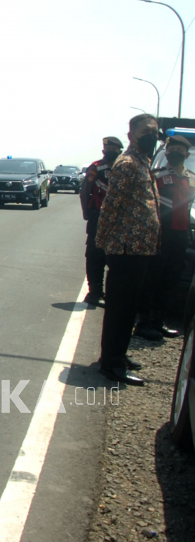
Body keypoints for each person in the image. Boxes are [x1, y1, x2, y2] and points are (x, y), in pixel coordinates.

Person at [95, 114, 162, 386]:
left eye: (156, 131)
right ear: (132, 134)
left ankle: (117, 354)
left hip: (139, 250)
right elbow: (111, 207)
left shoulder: (142, 163)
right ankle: (112, 363)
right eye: (146, 130)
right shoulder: (127, 164)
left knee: (128, 307)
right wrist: (102, 242)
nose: (152, 135)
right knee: (120, 309)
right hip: (125, 250)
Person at [134, 135, 194, 340]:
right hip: (160, 233)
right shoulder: (156, 175)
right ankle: (143, 322)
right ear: (166, 152)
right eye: (171, 149)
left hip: (181, 234)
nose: (174, 152)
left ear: (187, 153)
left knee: (171, 279)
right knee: (152, 277)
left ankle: (158, 321)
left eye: (180, 149)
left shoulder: (191, 178)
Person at [79, 136, 124, 306]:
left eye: (115, 149)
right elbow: (85, 192)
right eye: (108, 148)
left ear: (120, 151)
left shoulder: (124, 169)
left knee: (115, 256)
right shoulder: (96, 168)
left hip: (119, 219)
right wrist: (86, 214)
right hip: (98, 216)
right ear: (104, 150)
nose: (111, 151)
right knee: (95, 254)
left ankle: (112, 293)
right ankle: (94, 291)